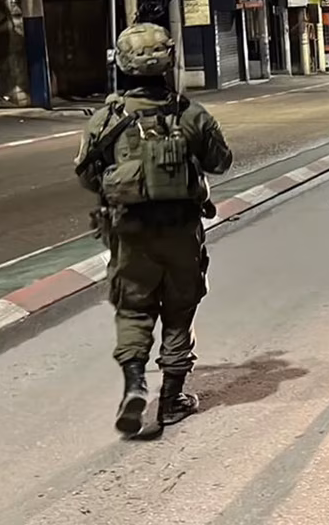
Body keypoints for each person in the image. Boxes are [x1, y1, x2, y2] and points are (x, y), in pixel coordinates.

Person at [75, 23, 233, 434]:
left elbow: (88, 177)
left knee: (133, 308)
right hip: (181, 231)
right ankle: (172, 399)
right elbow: (221, 161)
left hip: (129, 233)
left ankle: (134, 385)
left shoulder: (106, 119)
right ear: (168, 62)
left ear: (122, 65)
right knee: (180, 310)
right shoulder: (190, 114)